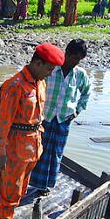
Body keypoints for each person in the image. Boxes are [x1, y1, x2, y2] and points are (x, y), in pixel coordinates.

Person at [0, 43, 65, 219]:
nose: (50, 74)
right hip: (15, 146)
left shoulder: (39, 83)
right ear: (37, 63)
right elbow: (3, 121)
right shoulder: (14, 86)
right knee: (10, 189)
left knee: (22, 189)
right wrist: (0, 151)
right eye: (48, 69)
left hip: (33, 144)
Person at [29, 39, 89, 195]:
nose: (76, 62)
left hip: (63, 119)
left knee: (56, 154)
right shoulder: (51, 69)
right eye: (74, 58)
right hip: (45, 117)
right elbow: (35, 85)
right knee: (38, 150)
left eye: (79, 59)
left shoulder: (80, 75)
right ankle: (33, 182)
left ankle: (46, 186)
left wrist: (77, 111)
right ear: (67, 53)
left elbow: (86, 94)